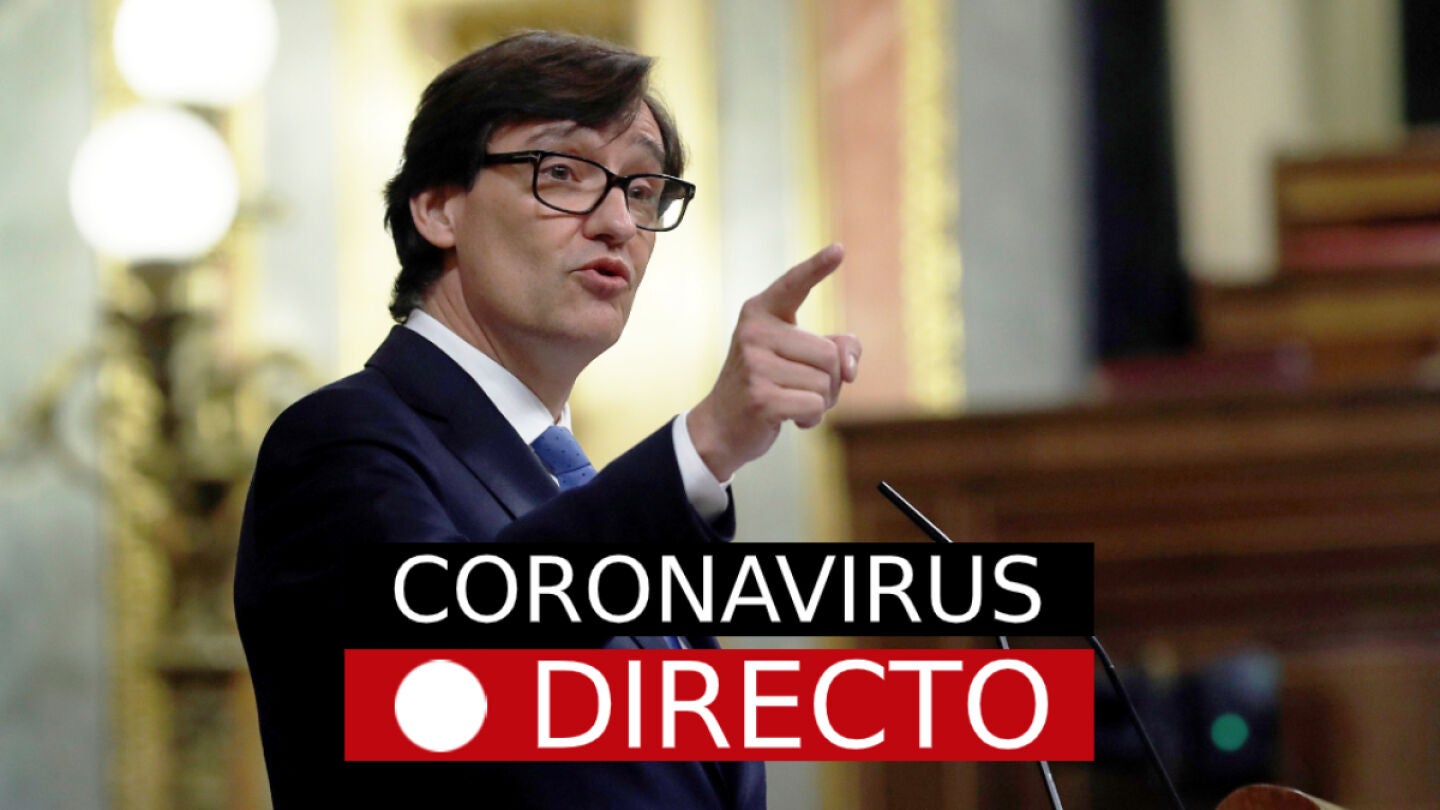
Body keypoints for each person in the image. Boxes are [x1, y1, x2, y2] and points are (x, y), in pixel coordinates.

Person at [234, 30, 861, 809]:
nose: (619, 222)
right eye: (562, 172)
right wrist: (703, 446)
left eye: (642, 190)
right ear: (437, 208)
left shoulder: (574, 487)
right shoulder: (340, 443)